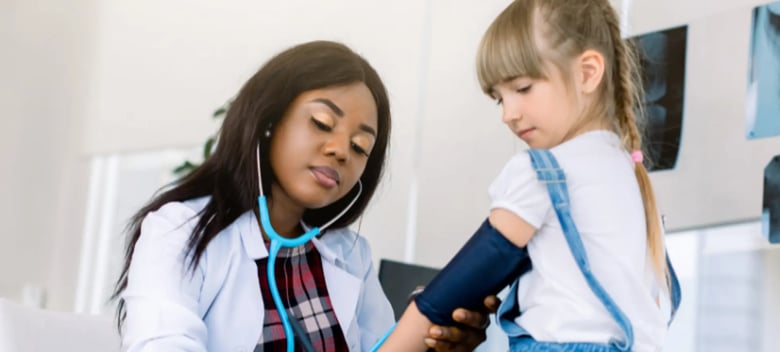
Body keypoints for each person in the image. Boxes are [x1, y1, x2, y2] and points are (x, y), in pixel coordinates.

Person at [112, 40, 497, 352]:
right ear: (267, 121)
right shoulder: (178, 230)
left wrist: (432, 337)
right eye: (321, 123)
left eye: (361, 146)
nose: (341, 150)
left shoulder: (349, 256)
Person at [377, 0, 681, 351]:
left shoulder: (544, 173)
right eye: (498, 99)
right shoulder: (629, 176)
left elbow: (449, 294)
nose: (508, 114)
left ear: (587, 73)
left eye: (522, 89)